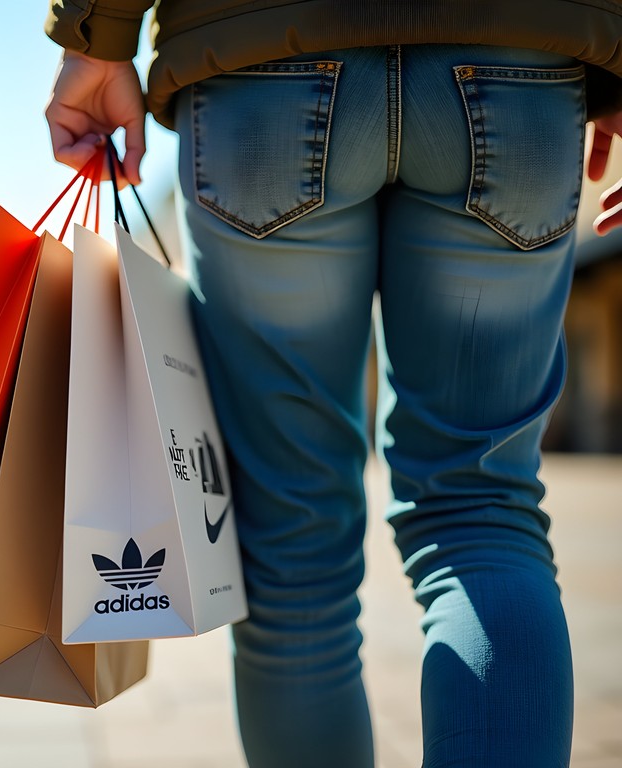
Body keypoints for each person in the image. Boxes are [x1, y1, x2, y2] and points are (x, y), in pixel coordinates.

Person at [43, 3, 622, 767]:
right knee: (483, 509)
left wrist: (96, 36)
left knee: (293, 544)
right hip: (519, 54)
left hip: (258, 56)